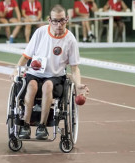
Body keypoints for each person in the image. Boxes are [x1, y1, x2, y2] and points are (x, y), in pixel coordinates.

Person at [10, 4, 89, 140]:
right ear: (49, 20)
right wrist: (16, 69)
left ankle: (42, 126)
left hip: (55, 77)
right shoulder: (40, 32)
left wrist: (78, 84)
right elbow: (26, 56)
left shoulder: (70, 40)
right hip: (35, 73)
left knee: (48, 86)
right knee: (31, 86)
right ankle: (26, 125)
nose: (59, 24)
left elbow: (74, 68)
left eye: (62, 20)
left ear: (67, 19)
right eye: (56, 21)